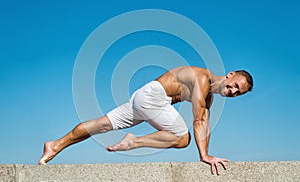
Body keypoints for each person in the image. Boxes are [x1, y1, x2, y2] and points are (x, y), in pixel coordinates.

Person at [39, 66, 253, 175]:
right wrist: (204, 156)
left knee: (102, 124)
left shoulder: (209, 96)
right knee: (182, 139)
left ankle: (55, 145)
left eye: (238, 93)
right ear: (230, 74)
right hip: (154, 97)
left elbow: (204, 121)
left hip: (146, 98)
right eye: (235, 85)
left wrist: (206, 153)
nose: (233, 91)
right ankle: (133, 141)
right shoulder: (202, 79)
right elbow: (198, 120)